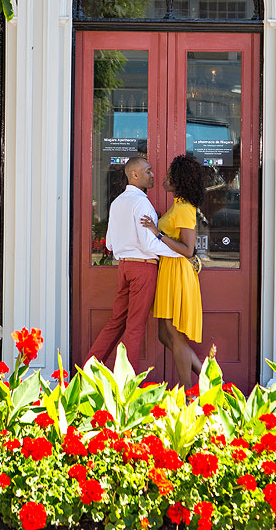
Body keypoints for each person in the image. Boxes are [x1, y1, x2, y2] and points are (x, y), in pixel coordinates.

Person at [84, 156, 176, 376]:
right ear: (134, 175)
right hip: (143, 267)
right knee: (134, 326)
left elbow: (109, 243)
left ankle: (86, 373)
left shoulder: (117, 202)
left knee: (117, 321)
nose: (153, 175)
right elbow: (148, 243)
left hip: (124, 267)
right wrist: (181, 252)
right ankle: (127, 384)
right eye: (148, 171)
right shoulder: (141, 202)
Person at [140, 155, 208, 386]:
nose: (164, 178)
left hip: (178, 272)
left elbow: (188, 249)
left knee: (174, 331)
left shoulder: (185, 209)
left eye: (170, 176)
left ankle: (187, 395)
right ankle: (210, 379)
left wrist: (157, 233)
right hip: (169, 270)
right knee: (163, 333)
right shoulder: (178, 205)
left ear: (180, 180)